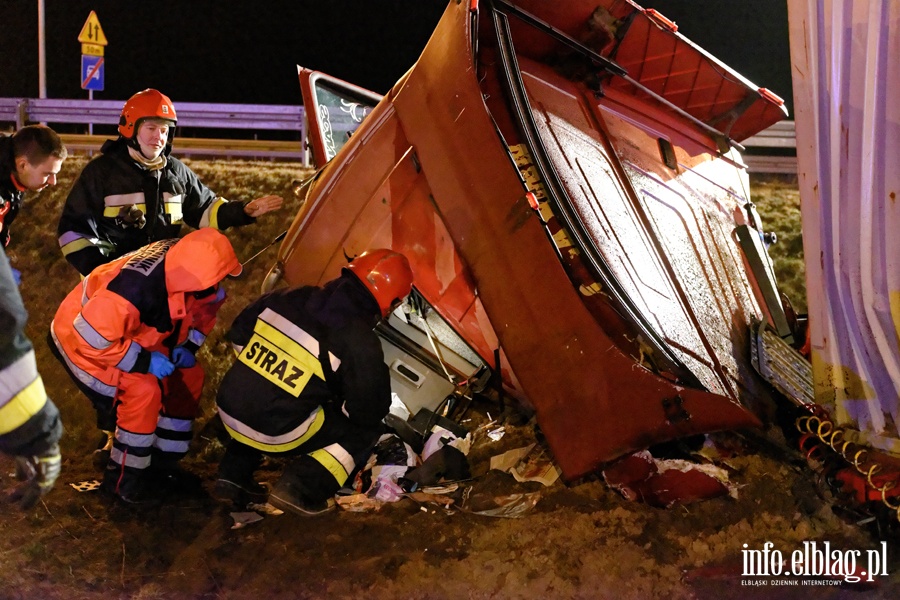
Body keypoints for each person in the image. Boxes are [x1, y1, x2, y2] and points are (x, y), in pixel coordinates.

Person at [213, 249, 414, 515]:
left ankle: (231, 475)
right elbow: (367, 412)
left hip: (227, 407)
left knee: (267, 395)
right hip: (274, 430)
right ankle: (299, 489)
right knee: (363, 433)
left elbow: (238, 334)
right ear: (392, 301)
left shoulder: (287, 296)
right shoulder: (359, 340)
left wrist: (265, 372)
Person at [49, 228, 241, 506]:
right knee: (143, 390)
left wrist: (187, 347)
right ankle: (123, 480)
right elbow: (89, 338)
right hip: (81, 338)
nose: (220, 285)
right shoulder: (133, 290)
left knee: (189, 375)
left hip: (126, 332)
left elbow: (205, 307)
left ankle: (162, 466)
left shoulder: (192, 270)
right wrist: (143, 361)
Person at [57, 88, 284, 277]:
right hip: (109, 286)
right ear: (131, 128)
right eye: (151, 128)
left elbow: (206, 210)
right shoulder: (101, 173)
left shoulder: (176, 173)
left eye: (164, 130)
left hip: (161, 281)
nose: (159, 137)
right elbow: (74, 232)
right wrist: (99, 271)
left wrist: (243, 211)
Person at [0, 125, 67, 509]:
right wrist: (39, 439)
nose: (53, 182)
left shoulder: (10, 175)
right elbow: (4, 325)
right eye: (47, 173)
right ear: (22, 163)